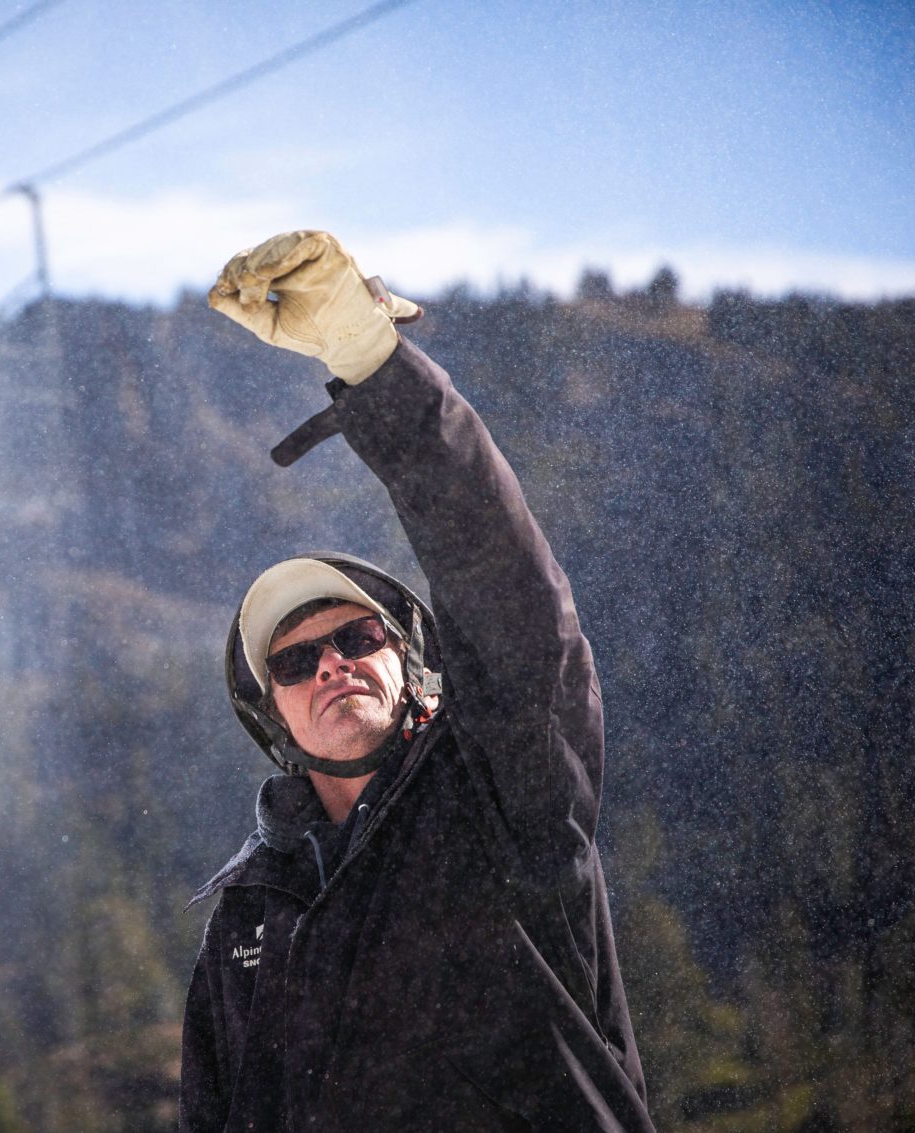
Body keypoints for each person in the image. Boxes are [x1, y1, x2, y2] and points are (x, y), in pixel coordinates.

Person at [180, 231, 655, 1132]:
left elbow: (508, 594)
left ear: (411, 663)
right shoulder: (242, 924)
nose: (330, 663)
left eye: (358, 635)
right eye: (292, 660)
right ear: (273, 714)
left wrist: (374, 367)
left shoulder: (504, 792)